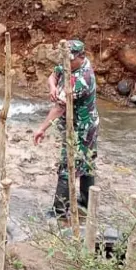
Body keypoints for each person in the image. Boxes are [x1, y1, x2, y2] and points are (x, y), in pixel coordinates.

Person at [33, 39, 99, 219]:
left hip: (82, 128)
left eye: (69, 60)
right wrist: (53, 87)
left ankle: (59, 210)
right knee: (86, 163)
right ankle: (86, 201)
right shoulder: (68, 64)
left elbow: (59, 108)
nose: (65, 63)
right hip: (77, 123)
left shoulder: (82, 81)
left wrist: (41, 128)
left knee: (68, 166)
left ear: (81, 57)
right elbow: (53, 75)